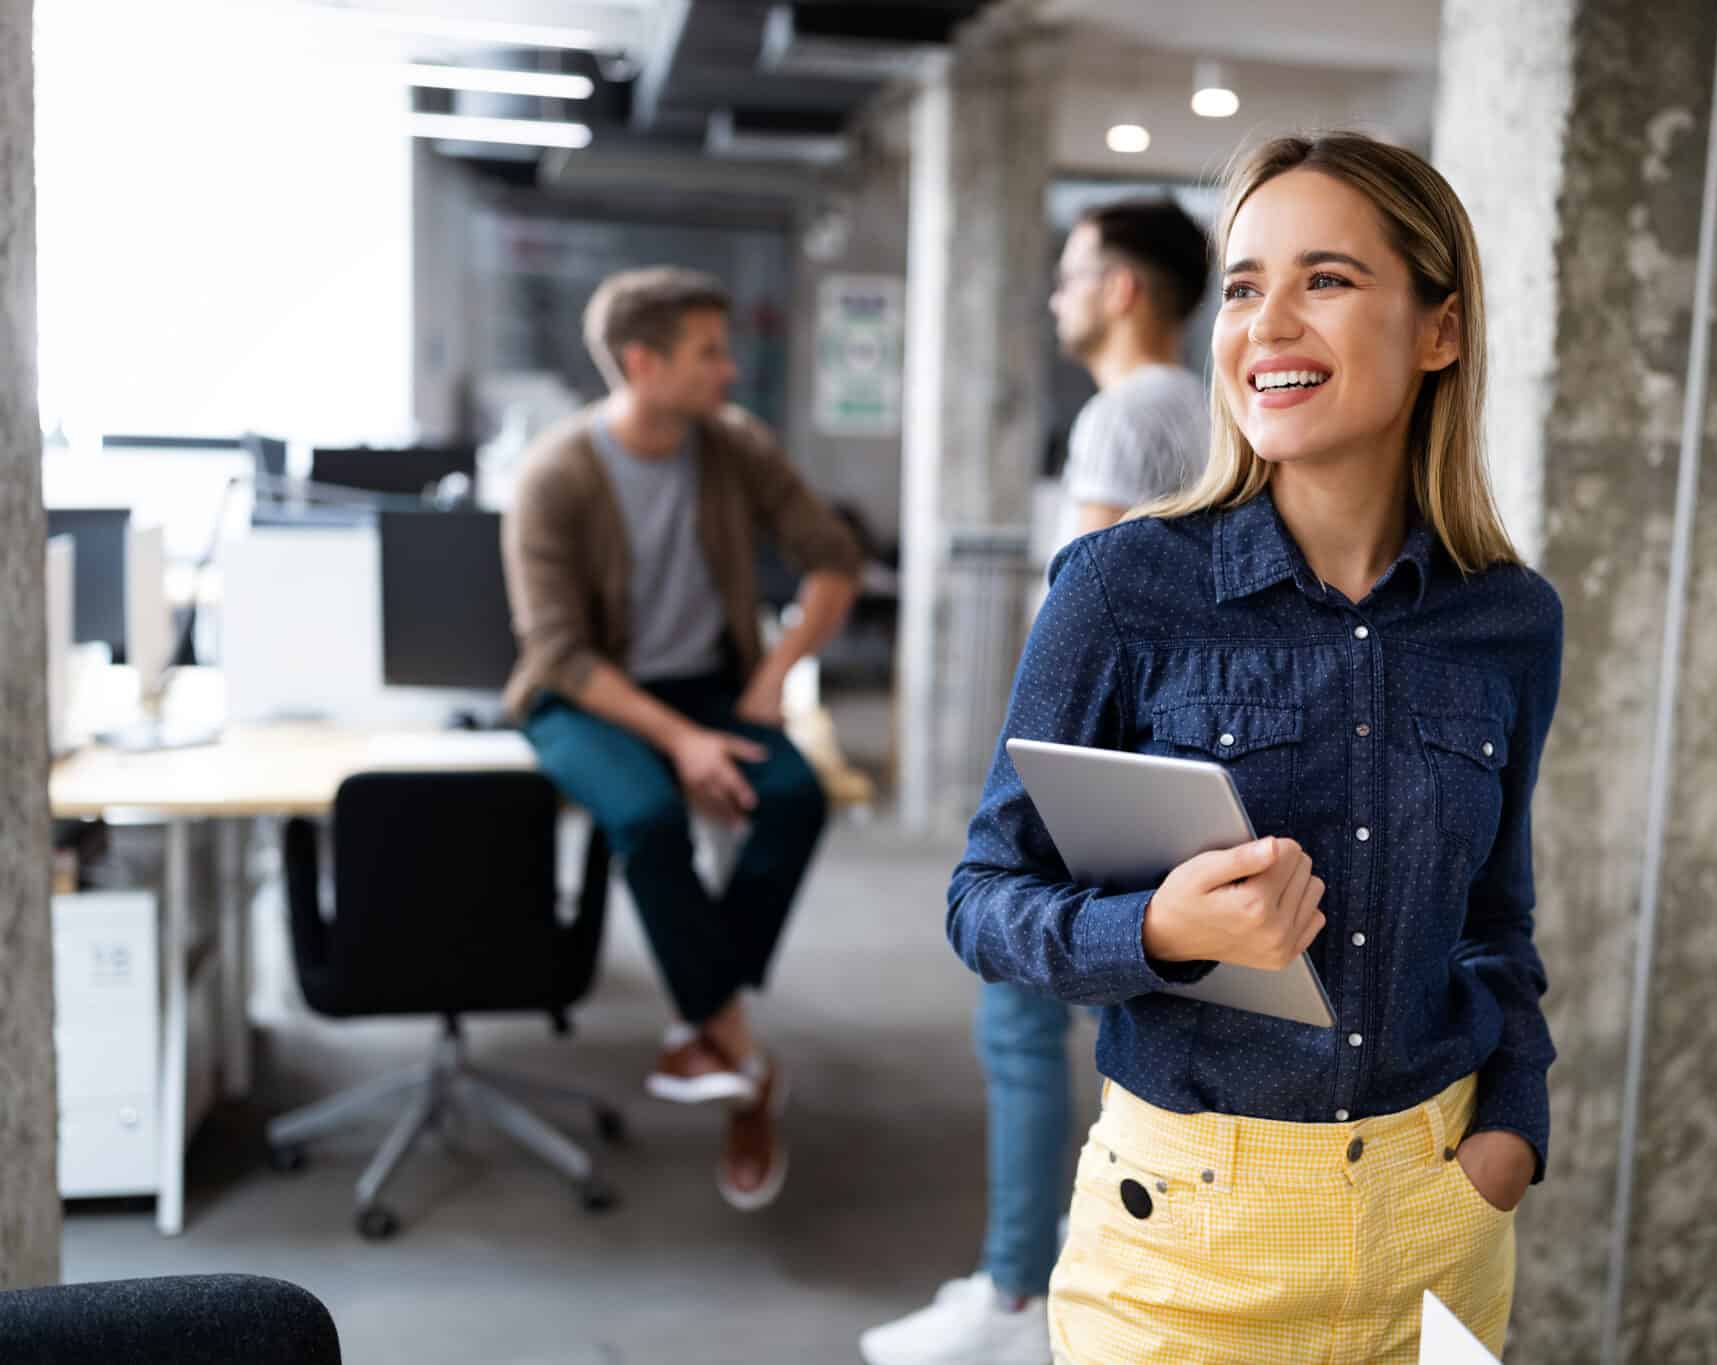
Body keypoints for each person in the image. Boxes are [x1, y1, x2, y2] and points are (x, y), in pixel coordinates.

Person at [946, 132, 1563, 1362]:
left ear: (1438, 330)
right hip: (1185, 1239)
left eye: (1324, 280)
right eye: (1241, 287)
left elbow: (1495, 919)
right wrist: (1159, 933)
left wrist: (1513, 1129)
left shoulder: (1507, 619)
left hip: (1436, 1222)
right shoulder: (1120, 588)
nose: (1266, 323)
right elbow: (981, 901)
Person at [860, 198, 1211, 1365]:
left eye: (1070, 275)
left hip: (1098, 762)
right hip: (1179, 753)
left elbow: (1081, 621)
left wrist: (1024, 771)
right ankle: (1075, 1273)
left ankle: (1017, 1291)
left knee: (1017, 1014)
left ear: (1124, 289)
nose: (1055, 297)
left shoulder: (1122, 419)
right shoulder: (1207, 414)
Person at [500, 266, 863, 1212]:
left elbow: (833, 559)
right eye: (709, 352)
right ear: (640, 361)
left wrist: (770, 677)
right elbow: (561, 654)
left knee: (795, 794)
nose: (729, 370)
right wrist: (681, 742)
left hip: (712, 683)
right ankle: (739, 1051)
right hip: (581, 698)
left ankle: (704, 1020)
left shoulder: (732, 446)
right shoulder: (553, 475)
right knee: (649, 815)